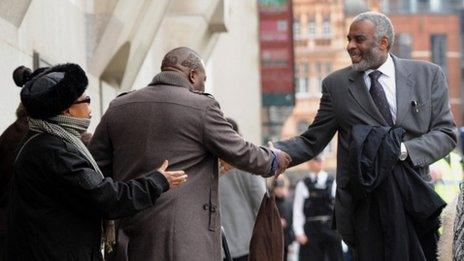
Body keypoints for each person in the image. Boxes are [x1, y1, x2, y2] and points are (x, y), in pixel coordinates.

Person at [274, 11, 456, 258]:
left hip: (415, 205)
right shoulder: (336, 86)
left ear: (383, 43)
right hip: (365, 211)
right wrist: (273, 154)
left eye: (358, 39)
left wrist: (401, 151)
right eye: (349, 39)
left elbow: (445, 134)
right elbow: (311, 140)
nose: (350, 46)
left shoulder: (428, 75)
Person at [89, 47, 291, 261]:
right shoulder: (200, 106)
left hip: (128, 239)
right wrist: (274, 158)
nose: (203, 85)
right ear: (193, 75)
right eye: (204, 79)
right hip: (184, 241)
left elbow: (95, 167)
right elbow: (241, 151)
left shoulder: (119, 106)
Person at [5, 64, 187, 261]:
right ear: (67, 110)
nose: (90, 109)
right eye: (86, 100)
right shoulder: (55, 151)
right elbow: (104, 198)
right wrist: (156, 182)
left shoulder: (45, 139)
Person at [219, 117, 267, 261]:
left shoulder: (211, 161)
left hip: (216, 244)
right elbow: (262, 202)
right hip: (246, 242)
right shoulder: (249, 162)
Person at [292, 156, 342, 261]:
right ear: (309, 163)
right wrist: (299, 232)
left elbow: (339, 208)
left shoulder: (333, 182)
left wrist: (341, 230)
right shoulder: (302, 184)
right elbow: (297, 210)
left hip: (330, 229)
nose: (319, 163)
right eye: (315, 160)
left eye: (321, 160)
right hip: (311, 230)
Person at [273, 175, 294, 261]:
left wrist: (287, 223)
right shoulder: (271, 202)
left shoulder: (289, 202)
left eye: (282, 188)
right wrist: (277, 221)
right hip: (274, 236)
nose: (280, 190)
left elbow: (292, 217)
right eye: (278, 188)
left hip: (286, 236)